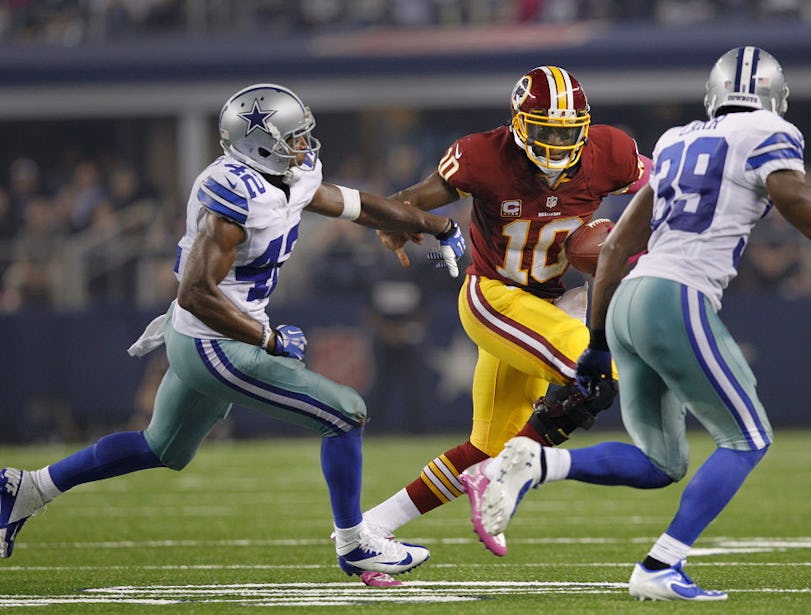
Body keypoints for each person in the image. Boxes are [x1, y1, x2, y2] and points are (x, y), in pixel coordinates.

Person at [0, 83, 466, 583]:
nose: (304, 146)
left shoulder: (286, 176)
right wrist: (268, 340)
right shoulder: (235, 198)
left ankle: (28, 488)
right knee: (345, 412)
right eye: (293, 137)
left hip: (204, 336)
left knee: (162, 448)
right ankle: (355, 544)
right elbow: (195, 292)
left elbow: (353, 204)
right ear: (259, 143)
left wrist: (435, 226)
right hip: (213, 340)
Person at [460, 47, 811, 602]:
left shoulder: (678, 139)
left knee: (662, 463)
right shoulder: (770, 131)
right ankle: (661, 566)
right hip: (678, 294)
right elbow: (792, 196)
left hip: (629, 297)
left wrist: (599, 343)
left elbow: (616, 250)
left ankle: (537, 461)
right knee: (748, 439)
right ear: (774, 98)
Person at [361, 65, 649, 567]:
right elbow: (412, 199)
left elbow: (664, 190)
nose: (557, 143)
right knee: (596, 369)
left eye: (567, 132)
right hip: (494, 297)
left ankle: (370, 528)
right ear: (519, 125)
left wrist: (634, 247)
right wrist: (395, 220)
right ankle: (501, 477)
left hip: (548, 305)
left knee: (490, 446)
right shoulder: (483, 156)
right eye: (545, 131)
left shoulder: (612, 151)